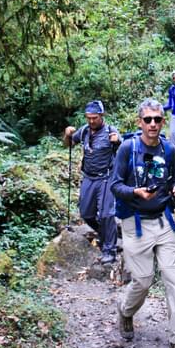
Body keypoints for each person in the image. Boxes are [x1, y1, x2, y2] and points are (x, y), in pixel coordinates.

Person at [110, 99, 175, 348]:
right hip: (134, 222)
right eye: (148, 120)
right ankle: (125, 311)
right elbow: (115, 185)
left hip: (164, 221)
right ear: (140, 122)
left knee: (174, 280)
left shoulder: (169, 149)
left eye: (158, 119)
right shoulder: (127, 148)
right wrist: (135, 192)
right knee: (144, 280)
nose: (153, 124)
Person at [63, 100, 119, 265]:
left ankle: (110, 250)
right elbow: (69, 144)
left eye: (94, 118)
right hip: (89, 177)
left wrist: (116, 141)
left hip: (106, 177)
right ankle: (107, 235)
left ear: (101, 116)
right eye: (88, 118)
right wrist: (67, 134)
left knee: (106, 214)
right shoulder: (85, 131)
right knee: (86, 213)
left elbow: (120, 147)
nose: (91, 121)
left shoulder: (110, 131)